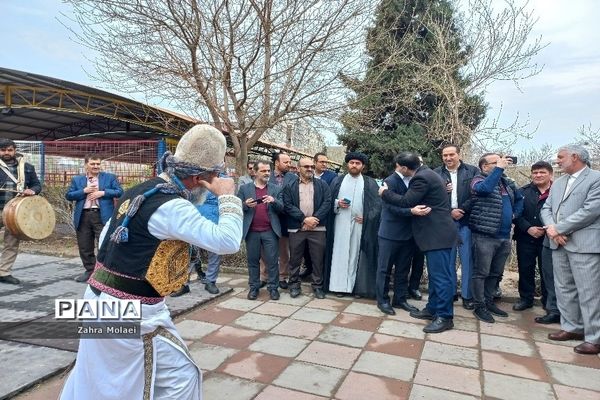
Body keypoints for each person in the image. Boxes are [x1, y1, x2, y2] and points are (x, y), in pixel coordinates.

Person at [59, 124, 243, 400]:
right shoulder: (172, 205)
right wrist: (228, 195)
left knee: (97, 377)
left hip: (96, 299)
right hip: (130, 312)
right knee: (179, 378)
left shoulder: (141, 190)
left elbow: (105, 239)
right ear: (204, 177)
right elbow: (226, 241)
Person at [379, 152, 458, 333]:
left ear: (405, 168)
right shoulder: (430, 173)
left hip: (437, 235)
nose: (398, 170)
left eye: (400, 167)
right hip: (438, 234)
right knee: (437, 277)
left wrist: (385, 193)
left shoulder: (420, 178)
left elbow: (406, 201)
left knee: (441, 277)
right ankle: (432, 309)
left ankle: (445, 317)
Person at [541, 144, 600, 355]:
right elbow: (546, 208)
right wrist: (552, 229)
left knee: (589, 292)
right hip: (559, 243)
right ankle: (572, 327)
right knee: (564, 288)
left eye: (560, 157)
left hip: (584, 245)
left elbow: (591, 210)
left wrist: (559, 228)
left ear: (575, 157)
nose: (557, 161)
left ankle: (594, 337)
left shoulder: (596, 179)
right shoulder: (558, 183)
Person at [469, 153, 523, 323]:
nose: (501, 163)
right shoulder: (477, 180)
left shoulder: (505, 182)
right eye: (495, 162)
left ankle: (489, 301)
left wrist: (515, 214)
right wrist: (499, 168)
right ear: (485, 167)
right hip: (485, 236)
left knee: (495, 273)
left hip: (504, 236)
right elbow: (484, 190)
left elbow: (520, 199)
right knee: (481, 273)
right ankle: (479, 306)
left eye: (500, 161)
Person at [376, 153, 430, 316]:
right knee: (384, 269)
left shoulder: (414, 180)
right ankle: (383, 300)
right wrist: (411, 211)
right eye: (413, 169)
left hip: (409, 234)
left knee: (403, 269)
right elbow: (390, 207)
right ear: (403, 168)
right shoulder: (389, 182)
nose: (415, 171)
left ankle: (400, 299)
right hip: (390, 233)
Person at [325, 152, 381, 299]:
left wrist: (368, 217)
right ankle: (339, 287)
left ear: (363, 166)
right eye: (352, 163)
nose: (354, 165)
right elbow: (328, 200)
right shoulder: (338, 181)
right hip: (340, 223)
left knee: (355, 255)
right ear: (347, 164)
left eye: (357, 163)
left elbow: (377, 205)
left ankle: (356, 287)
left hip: (359, 225)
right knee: (340, 254)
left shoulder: (370, 182)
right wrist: (337, 203)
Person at [433, 144, 479, 309]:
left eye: (451, 154)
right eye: (445, 155)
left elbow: (477, 194)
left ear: (459, 154)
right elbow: (431, 197)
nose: (448, 158)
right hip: (446, 223)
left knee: (467, 260)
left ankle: (467, 296)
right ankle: (450, 293)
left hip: (466, 222)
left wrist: (463, 209)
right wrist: (449, 210)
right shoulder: (436, 173)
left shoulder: (472, 171)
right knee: (448, 260)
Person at [66, 155, 123, 282]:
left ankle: (105, 273)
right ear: (86, 164)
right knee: (85, 246)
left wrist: (103, 193)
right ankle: (89, 271)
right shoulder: (77, 180)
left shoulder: (109, 177)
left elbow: (120, 191)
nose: (96, 166)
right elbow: (69, 195)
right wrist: (84, 191)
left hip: (102, 215)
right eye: (93, 164)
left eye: (98, 164)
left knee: (104, 245)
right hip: (83, 216)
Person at [283, 157, 331, 299]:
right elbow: (288, 205)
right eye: (306, 166)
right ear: (298, 169)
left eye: (311, 166)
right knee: (295, 259)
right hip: (297, 229)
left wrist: (314, 219)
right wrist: (304, 219)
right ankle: (294, 285)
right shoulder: (290, 186)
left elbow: (327, 202)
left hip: (318, 228)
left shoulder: (322, 185)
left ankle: (317, 286)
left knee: (318, 259)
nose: (309, 169)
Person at [238, 160, 284, 300]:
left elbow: (282, 208)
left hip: (270, 231)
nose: (267, 173)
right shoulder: (245, 189)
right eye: (263, 171)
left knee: (272, 261)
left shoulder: (275, 189)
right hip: (252, 232)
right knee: (252, 261)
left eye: (268, 171)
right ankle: (254, 288)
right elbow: (237, 207)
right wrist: (246, 205)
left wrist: (273, 201)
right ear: (255, 172)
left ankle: (273, 288)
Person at [512, 161, 553, 312]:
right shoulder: (522, 191)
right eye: (535, 173)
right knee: (525, 269)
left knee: (548, 271)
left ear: (550, 174)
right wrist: (528, 228)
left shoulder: (558, 191)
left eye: (542, 172)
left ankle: (549, 301)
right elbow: (516, 214)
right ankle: (525, 299)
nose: (538, 175)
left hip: (549, 238)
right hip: (525, 237)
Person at [0, 138, 42, 285]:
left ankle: (4, 272)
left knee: (11, 242)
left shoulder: (27, 167)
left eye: (9, 150)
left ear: (15, 150)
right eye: (3, 150)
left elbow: (37, 185)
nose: (6, 153)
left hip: (15, 211)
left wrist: (32, 190)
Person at [262, 152, 297, 289]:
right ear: (276, 163)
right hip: (268, 217)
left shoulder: (293, 177)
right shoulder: (266, 176)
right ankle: (264, 276)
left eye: (289, 162)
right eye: (286, 162)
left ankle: (283, 276)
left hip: (285, 219)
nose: (289, 164)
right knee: (265, 250)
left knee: (284, 250)